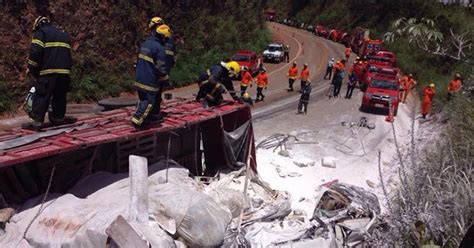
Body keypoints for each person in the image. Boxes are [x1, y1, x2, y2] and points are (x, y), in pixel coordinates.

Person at [23, 16, 75, 130]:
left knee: (42, 95)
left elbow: (36, 52)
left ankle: (36, 122)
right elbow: (68, 55)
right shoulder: (62, 34)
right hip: (64, 72)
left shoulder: (41, 33)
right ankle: (58, 118)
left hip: (48, 71)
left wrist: (32, 68)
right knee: (60, 96)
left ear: (37, 25)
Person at [131, 24, 172, 128]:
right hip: (149, 80)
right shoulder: (160, 48)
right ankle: (138, 120)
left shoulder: (146, 43)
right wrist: (165, 78)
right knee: (149, 102)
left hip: (139, 77)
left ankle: (146, 120)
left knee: (142, 99)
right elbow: (161, 68)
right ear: (163, 37)